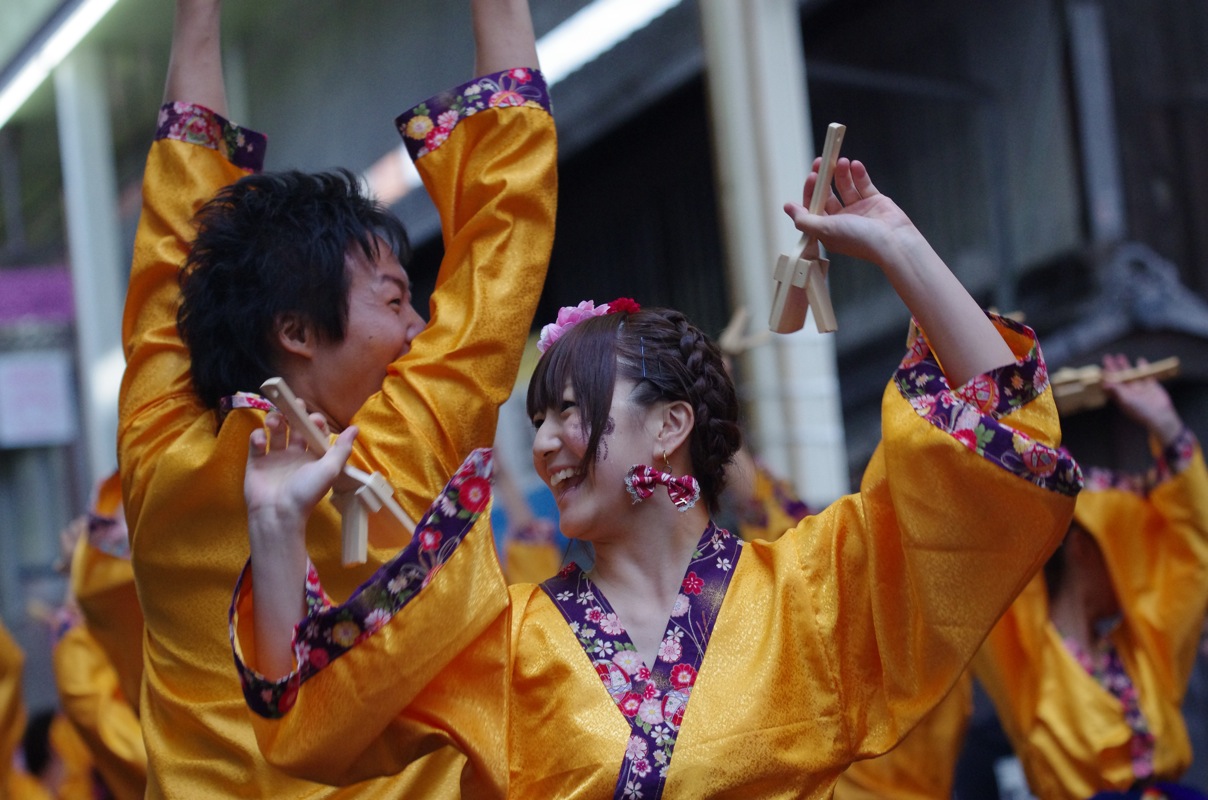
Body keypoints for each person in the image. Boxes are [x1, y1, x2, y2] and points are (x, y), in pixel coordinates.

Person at [231, 156, 1082, 798]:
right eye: (537, 423)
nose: (549, 444)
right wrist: (273, 529)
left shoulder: (809, 596)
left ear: (672, 426)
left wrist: (902, 250)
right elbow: (313, 725)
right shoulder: (500, 640)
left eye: (574, 411)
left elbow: (991, 459)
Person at [117, 0, 555, 796]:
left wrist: (196, 17)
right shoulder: (408, 441)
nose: (421, 326)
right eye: (394, 302)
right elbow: (507, 220)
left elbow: (173, 236)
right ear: (295, 330)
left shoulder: (157, 455)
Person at [971, 355, 1208, 800]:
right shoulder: (1024, 655)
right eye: (1126, 546)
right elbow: (982, 541)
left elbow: (1193, 550)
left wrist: (1167, 425)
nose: (1138, 565)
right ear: (1081, 548)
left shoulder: (1143, 649)